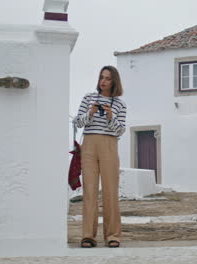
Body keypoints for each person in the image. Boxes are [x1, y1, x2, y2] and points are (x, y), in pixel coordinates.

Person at [73, 65, 126, 248]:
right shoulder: (88, 98)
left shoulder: (120, 104)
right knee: (90, 191)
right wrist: (91, 112)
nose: (103, 81)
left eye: (108, 78)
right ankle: (88, 235)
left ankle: (113, 235)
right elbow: (78, 122)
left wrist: (111, 116)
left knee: (111, 191)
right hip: (89, 145)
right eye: (101, 77)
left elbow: (121, 130)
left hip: (110, 145)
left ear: (114, 82)